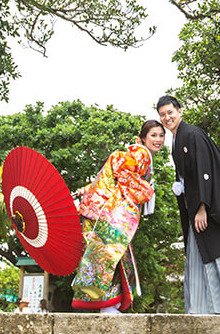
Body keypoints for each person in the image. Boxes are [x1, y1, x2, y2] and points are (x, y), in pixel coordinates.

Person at [156, 94, 220, 314]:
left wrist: (202, 206)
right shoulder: (177, 141)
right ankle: (202, 309)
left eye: (170, 112)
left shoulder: (192, 134)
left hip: (211, 209)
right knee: (198, 255)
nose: (167, 117)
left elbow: (206, 171)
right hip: (195, 210)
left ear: (180, 111)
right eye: (162, 115)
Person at [71, 119, 166, 313]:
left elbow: (112, 176)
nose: (158, 139)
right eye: (153, 135)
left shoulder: (140, 154)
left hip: (102, 213)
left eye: (161, 135)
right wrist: (146, 191)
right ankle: (109, 306)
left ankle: (109, 305)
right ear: (142, 138)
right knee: (110, 257)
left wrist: (88, 189)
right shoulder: (142, 154)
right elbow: (121, 169)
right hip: (111, 215)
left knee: (111, 258)